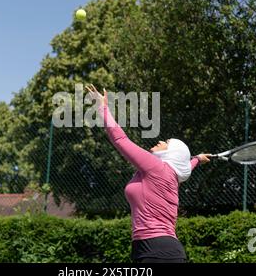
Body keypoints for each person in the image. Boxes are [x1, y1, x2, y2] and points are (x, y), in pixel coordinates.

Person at [85, 84, 212, 263]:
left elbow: (120, 139)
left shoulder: (156, 168)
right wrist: (197, 159)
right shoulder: (172, 177)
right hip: (155, 250)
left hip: (156, 250)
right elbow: (185, 167)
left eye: (167, 142)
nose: (161, 141)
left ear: (172, 153)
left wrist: (102, 107)